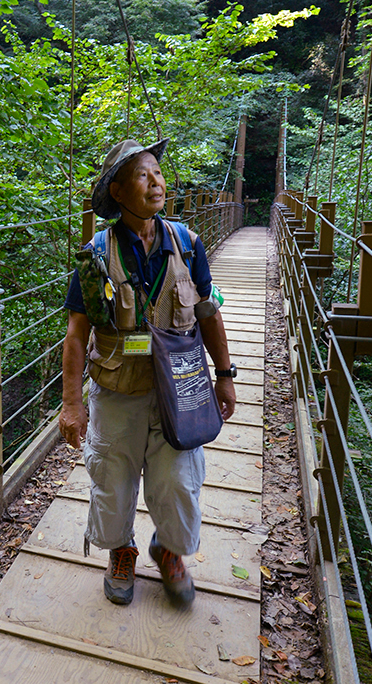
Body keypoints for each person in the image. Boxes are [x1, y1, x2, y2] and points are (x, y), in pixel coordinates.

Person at [58, 138, 237, 607]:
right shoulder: (95, 255)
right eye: (142, 175)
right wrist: (72, 403)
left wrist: (225, 373)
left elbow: (208, 313)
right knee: (113, 478)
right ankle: (121, 550)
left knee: (179, 477)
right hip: (117, 387)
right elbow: (77, 335)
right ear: (117, 192)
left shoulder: (188, 243)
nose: (156, 182)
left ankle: (170, 550)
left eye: (157, 172)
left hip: (181, 386)